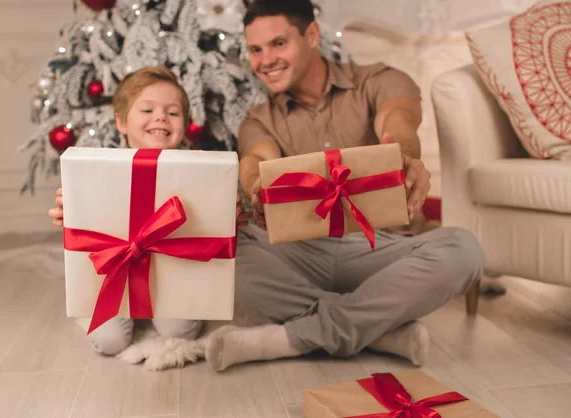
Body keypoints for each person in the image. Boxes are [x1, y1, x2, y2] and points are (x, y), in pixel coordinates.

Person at [204, 0, 485, 372]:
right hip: (296, 253)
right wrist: (254, 183)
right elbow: (256, 160)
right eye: (255, 49)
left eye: (278, 44)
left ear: (313, 35)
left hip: (380, 249)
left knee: (464, 249)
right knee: (215, 249)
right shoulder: (258, 119)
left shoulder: (377, 79)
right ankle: (379, 331)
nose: (265, 59)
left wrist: (402, 155)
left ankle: (289, 337)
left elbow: (398, 123)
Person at [48, 66, 251, 356]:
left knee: (182, 331)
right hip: (112, 268)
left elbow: (212, 230)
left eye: (173, 112)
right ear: (121, 121)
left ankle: (149, 306)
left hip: (175, 268)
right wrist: (69, 211)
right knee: (109, 341)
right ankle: (92, 306)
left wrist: (229, 213)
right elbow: (82, 226)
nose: (160, 117)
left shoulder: (204, 172)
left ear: (185, 122)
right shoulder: (97, 168)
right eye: (147, 110)